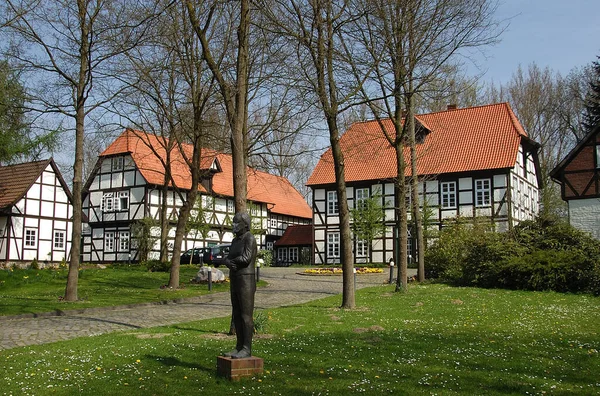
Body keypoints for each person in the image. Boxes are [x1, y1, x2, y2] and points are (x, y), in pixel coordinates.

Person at [222, 212, 257, 359]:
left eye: (237, 223)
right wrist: (228, 262)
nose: (233, 226)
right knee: (236, 313)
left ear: (245, 224)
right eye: (233, 223)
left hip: (246, 280)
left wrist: (232, 261)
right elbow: (228, 257)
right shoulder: (235, 241)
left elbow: (246, 258)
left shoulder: (249, 238)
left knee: (245, 315)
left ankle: (246, 348)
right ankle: (238, 346)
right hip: (235, 278)